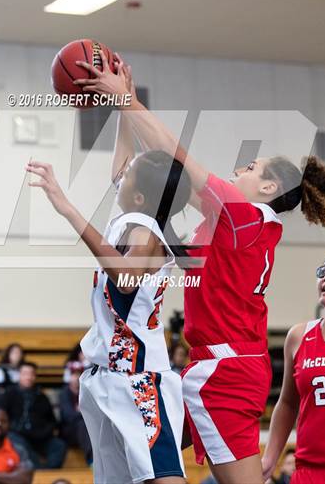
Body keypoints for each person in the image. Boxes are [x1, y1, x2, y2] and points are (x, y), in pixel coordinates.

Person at [72, 52, 325, 484]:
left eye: (250, 168)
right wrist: (126, 106)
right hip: (205, 367)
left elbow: (175, 156)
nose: (237, 170)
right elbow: (159, 178)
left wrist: (128, 102)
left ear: (268, 188)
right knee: (145, 464)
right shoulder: (227, 221)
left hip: (224, 370)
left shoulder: (245, 217)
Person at [26, 123, 193, 482]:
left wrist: (68, 209)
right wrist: (123, 104)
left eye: (131, 172)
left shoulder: (145, 230)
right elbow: (120, 166)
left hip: (139, 378)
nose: (123, 172)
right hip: (108, 377)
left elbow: (126, 276)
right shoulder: (133, 217)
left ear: (139, 196)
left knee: (162, 475)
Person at [262, 252, 325, 484]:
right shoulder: (299, 336)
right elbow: (287, 403)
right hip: (310, 470)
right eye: (323, 271)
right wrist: (269, 459)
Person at [0, 362, 67, 470]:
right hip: (17, 434)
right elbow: (0, 415)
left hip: (40, 437)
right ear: (19, 375)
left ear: (34, 376)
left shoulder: (41, 396)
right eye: (25, 373)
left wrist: (45, 432)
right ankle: (39, 473)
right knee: (20, 445)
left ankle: (49, 472)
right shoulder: (9, 394)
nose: (28, 377)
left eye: (31, 374)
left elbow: (52, 420)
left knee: (59, 445)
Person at [59, 364, 93, 466]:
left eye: (79, 374)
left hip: (88, 428)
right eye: (74, 375)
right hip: (70, 431)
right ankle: (91, 459)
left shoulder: (87, 391)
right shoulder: (64, 393)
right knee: (82, 424)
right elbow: (68, 416)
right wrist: (84, 412)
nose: (76, 378)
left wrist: (80, 411)